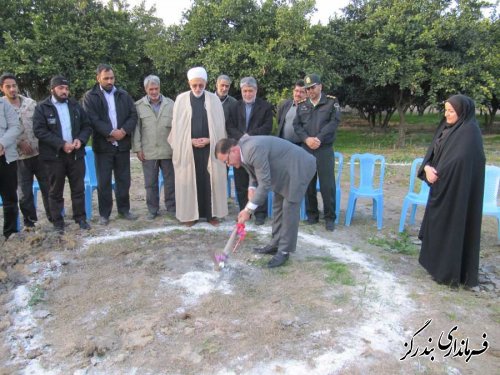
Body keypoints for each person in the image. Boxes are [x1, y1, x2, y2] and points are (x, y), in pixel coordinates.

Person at [215, 136, 316, 268]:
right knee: (277, 205)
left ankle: (284, 251)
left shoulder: (253, 149)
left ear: (233, 150)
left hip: (299, 167)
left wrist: (248, 210)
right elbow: (253, 170)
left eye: (226, 161)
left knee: (289, 207)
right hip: (284, 170)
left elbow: (265, 184)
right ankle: (275, 244)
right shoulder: (242, 150)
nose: (228, 165)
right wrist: (251, 187)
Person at [417, 94, 485, 288]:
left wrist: (440, 173)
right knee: (437, 227)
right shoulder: (446, 128)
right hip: (440, 188)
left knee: (451, 229)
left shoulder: (470, 133)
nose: (447, 114)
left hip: (457, 193)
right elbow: (432, 153)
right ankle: (434, 266)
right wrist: (427, 168)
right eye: (445, 110)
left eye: (451, 111)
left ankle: (448, 272)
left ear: (462, 112)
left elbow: (463, 162)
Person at [168, 67, 228, 226]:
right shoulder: (180, 100)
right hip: (189, 151)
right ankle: (190, 215)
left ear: (206, 83)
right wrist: (189, 141)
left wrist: (210, 140)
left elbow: (220, 128)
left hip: (210, 150)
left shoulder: (214, 100)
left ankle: (211, 215)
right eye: (194, 85)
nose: (197, 89)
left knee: (210, 180)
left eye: (201, 85)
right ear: (189, 83)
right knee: (190, 180)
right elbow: (177, 129)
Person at [33, 75, 92, 233]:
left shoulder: (75, 105)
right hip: (54, 157)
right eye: (61, 88)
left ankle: (80, 218)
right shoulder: (42, 107)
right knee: (55, 191)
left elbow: (87, 126)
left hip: (75, 154)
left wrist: (81, 140)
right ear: (52, 89)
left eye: (66, 88)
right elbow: (39, 131)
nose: (64, 91)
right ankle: (58, 222)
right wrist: (61, 144)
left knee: (78, 188)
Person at [83, 64, 138, 225]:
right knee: (104, 181)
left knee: (124, 180)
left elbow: (132, 115)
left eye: (112, 78)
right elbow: (92, 118)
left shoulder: (123, 95)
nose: (109, 81)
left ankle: (124, 210)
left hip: (122, 145)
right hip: (103, 146)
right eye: (106, 78)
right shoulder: (90, 96)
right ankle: (104, 214)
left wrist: (123, 131)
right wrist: (110, 132)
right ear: (98, 78)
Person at [0, 73, 52, 228]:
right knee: (25, 193)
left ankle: (53, 218)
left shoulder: (30, 103)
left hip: (38, 153)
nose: (12, 89)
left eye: (14, 85)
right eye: (8, 86)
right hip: (18, 157)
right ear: (2, 88)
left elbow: (40, 125)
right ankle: (30, 223)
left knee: (48, 187)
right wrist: (19, 142)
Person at [293, 73, 340, 231]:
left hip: (324, 149)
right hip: (307, 149)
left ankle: (329, 218)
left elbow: (334, 122)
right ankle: (312, 215)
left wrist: (318, 138)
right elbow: (297, 126)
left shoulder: (331, 102)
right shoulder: (302, 105)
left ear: (320, 86)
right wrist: (306, 139)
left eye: (313, 87)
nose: (310, 91)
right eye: (308, 88)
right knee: (308, 184)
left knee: (327, 185)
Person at [225, 76, 273, 225]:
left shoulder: (265, 107)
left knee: (259, 182)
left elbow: (267, 127)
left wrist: (249, 136)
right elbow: (230, 126)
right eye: (245, 91)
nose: (247, 94)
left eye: (250, 91)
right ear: (241, 91)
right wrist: (242, 137)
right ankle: (244, 210)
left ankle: (260, 213)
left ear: (256, 90)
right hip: (239, 152)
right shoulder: (234, 107)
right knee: (241, 183)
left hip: (257, 151)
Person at [133, 75, 175, 220]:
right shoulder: (138, 106)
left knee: (170, 182)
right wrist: (138, 149)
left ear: (160, 88)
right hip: (148, 151)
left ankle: (171, 207)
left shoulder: (171, 104)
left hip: (168, 150)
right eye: (151, 89)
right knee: (150, 183)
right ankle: (153, 209)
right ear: (146, 89)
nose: (154, 92)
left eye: (156, 88)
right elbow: (136, 129)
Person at [0, 96, 21, 244]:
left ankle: (10, 233)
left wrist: (2, 143)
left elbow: (15, 126)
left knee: (10, 197)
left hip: (5, 156)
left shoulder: (4, 104)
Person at [276, 79, 307, 145]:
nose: (298, 94)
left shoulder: (310, 108)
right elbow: (279, 121)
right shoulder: (285, 104)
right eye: (296, 91)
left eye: (302, 92)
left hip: (301, 146)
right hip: (284, 144)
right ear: (293, 91)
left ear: (306, 94)